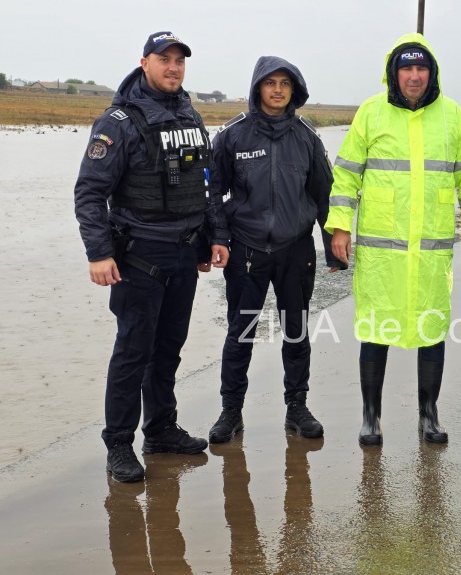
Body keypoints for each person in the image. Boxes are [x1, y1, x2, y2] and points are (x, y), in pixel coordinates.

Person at [74, 31, 229, 483]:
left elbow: (205, 182)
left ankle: (160, 429)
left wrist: (211, 239)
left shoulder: (190, 114)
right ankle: (118, 444)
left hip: (184, 255)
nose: (174, 68)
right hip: (137, 255)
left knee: (167, 351)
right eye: (165, 59)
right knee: (132, 352)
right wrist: (99, 253)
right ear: (145, 63)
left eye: (180, 61)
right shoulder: (118, 121)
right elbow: (89, 192)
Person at [325, 33, 461, 446]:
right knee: (376, 328)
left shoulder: (451, 115)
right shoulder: (371, 113)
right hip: (382, 248)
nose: (414, 76)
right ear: (393, 73)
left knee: (431, 327)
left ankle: (428, 415)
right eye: (406, 68)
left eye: (421, 68)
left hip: (431, 246)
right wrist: (340, 226)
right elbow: (346, 174)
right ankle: (370, 416)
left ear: (432, 73)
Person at [207, 56, 346, 444]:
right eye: (271, 83)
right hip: (246, 251)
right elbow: (211, 193)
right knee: (242, 331)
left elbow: (325, 196)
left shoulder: (306, 136)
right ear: (257, 88)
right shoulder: (233, 134)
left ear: (294, 89)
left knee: (296, 332)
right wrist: (216, 239)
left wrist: (332, 247)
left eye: (286, 83)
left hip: (295, 250)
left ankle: (297, 407)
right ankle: (230, 411)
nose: (278, 90)